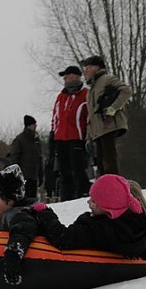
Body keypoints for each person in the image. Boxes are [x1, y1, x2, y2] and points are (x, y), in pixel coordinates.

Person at [33, 174, 146, 262]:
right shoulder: (135, 229)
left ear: (109, 209)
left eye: (94, 201)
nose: (88, 202)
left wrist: (45, 213)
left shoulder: (99, 229)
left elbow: (63, 238)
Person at [81, 55, 132, 175]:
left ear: (96, 68)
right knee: (101, 163)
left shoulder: (107, 79)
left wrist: (113, 108)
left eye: (88, 68)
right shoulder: (91, 90)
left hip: (109, 125)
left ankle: (114, 186)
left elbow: (126, 91)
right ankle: (106, 187)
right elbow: (91, 116)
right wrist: (88, 137)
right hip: (98, 131)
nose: (85, 71)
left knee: (110, 160)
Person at [51, 65, 90, 200]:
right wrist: (54, 134)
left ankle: (82, 192)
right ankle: (66, 196)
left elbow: (88, 117)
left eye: (68, 77)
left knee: (78, 168)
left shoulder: (85, 94)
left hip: (77, 137)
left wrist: (87, 136)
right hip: (60, 138)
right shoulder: (61, 96)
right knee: (64, 170)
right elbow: (55, 117)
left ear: (75, 77)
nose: (66, 80)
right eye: (66, 78)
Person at [5, 115, 43, 199]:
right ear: (28, 125)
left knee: (32, 201)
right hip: (23, 177)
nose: (36, 126)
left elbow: (39, 159)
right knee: (24, 201)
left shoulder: (36, 141)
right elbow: (14, 158)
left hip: (34, 176)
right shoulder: (19, 140)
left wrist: (40, 174)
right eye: (34, 124)